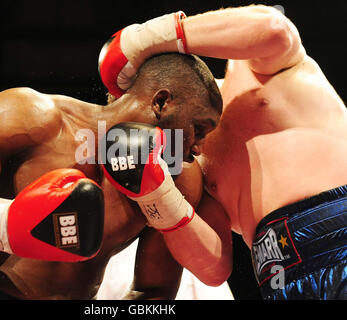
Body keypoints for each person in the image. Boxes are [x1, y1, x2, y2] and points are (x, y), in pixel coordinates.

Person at [0, 52, 223, 300]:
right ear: (161, 102)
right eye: (198, 128)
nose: (197, 149)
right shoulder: (35, 117)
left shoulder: (178, 181)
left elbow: (154, 290)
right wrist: (3, 226)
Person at [98, 5, 347, 299]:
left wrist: (144, 39)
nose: (153, 143)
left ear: (161, 99)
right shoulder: (190, 166)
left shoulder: (249, 69)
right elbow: (215, 269)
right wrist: (158, 197)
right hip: (278, 278)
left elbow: (274, 29)